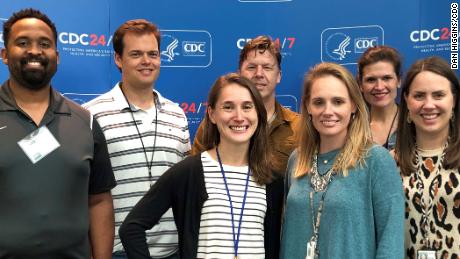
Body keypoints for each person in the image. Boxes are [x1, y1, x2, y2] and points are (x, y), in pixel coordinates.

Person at [119, 73, 284, 259]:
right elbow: (131, 228)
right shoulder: (189, 171)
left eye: (247, 107)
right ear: (212, 114)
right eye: (228, 107)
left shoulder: (272, 179)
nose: (239, 116)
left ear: (258, 114)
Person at [0, 8, 116, 258]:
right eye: (22, 43)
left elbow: (99, 200)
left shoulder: (85, 121)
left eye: (45, 44)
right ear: (5, 55)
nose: (34, 51)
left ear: (57, 56)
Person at [83, 19, 190, 259]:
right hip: (117, 251)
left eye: (153, 54)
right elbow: (86, 192)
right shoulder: (92, 115)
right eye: (136, 54)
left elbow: (184, 187)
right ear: (118, 60)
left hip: (172, 250)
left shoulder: (177, 114)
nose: (146, 61)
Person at [280, 62, 404, 258]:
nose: (328, 111)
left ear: (353, 105)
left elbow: (391, 242)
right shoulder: (297, 160)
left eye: (338, 101)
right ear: (307, 107)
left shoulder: (376, 160)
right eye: (319, 102)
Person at [192, 36, 300, 176]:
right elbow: (195, 174)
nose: (259, 74)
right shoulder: (217, 123)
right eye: (251, 67)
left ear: (278, 76)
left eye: (267, 67)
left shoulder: (299, 127)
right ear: (240, 73)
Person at [395, 56, 460, 258]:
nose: (429, 104)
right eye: (419, 96)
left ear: (454, 100)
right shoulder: (389, 163)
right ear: (406, 99)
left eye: (439, 95)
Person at [357, 45, 402, 150]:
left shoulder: (414, 122)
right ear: (360, 85)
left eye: (386, 78)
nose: (379, 87)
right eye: (371, 80)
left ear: (399, 80)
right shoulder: (351, 128)